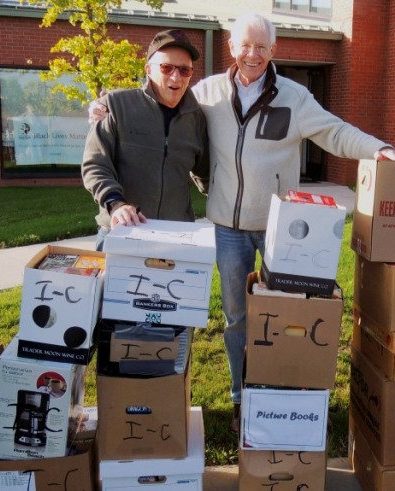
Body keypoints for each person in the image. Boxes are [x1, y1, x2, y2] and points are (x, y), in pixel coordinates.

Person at [88, 11, 395, 433]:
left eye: (262, 47)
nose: (253, 54)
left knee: (287, 316)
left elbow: (335, 132)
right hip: (226, 230)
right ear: (232, 48)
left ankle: (284, 397)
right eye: (245, 45)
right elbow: (160, 101)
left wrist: (379, 149)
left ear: (274, 51)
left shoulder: (295, 96)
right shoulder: (206, 93)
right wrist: (107, 104)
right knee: (236, 318)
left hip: (280, 228)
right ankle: (240, 398)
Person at [82, 29, 209, 251]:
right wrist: (116, 204)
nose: (175, 77)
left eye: (184, 70)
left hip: (174, 236)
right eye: (166, 67)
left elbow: (207, 175)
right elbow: (95, 165)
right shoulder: (115, 106)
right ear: (148, 70)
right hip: (121, 230)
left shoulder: (197, 118)